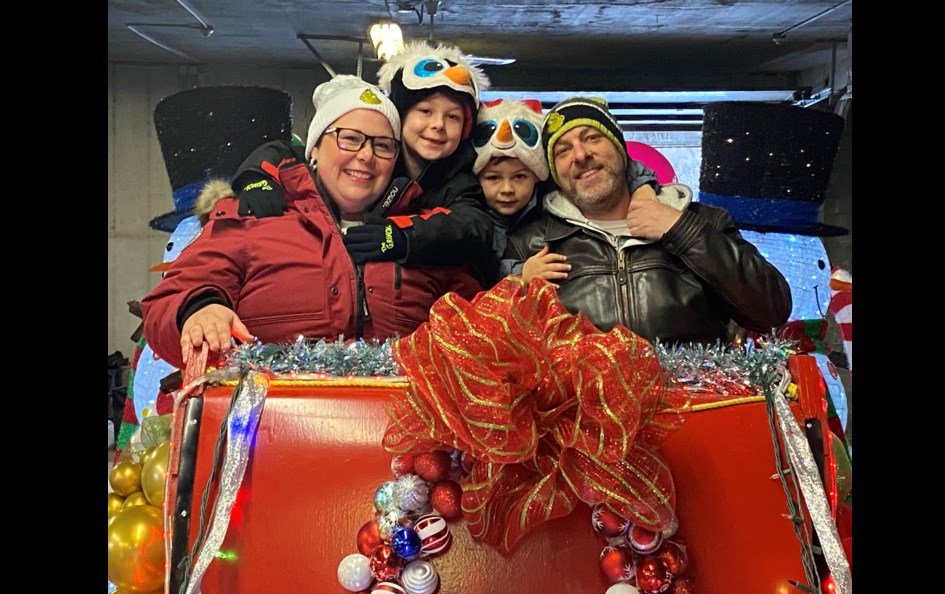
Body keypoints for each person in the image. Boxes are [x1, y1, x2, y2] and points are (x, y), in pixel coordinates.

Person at [140, 75, 482, 368]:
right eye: (350, 138)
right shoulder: (252, 217)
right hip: (271, 433)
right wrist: (200, 309)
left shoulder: (421, 236)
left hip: (400, 437)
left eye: (383, 145)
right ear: (314, 148)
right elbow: (171, 298)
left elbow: (475, 327)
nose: (365, 155)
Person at [503, 96, 792, 345]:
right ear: (554, 172)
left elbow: (771, 311)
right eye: (562, 150)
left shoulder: (702, 220)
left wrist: (681, 230)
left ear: (619, 148)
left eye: (592, 137)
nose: (580, 155)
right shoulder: (530, 243)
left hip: (695, 405)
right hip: (584, 409)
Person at [233, 40, 502, 288]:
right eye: (425, 111)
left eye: (453, 117)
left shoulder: (460, 180)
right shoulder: (373, 157)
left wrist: (403, 236)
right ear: (401, 114)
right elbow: (291, 152)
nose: (438, 125)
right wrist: (256, 175)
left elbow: (472, 227)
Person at [471, 97, 661, 284]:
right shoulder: (473, 218)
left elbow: (614, 165)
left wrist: (642, 186)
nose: (507, 190)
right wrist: (521, 274)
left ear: (539, 176)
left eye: (592, 137)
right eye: (563, 150)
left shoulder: (674, 217)